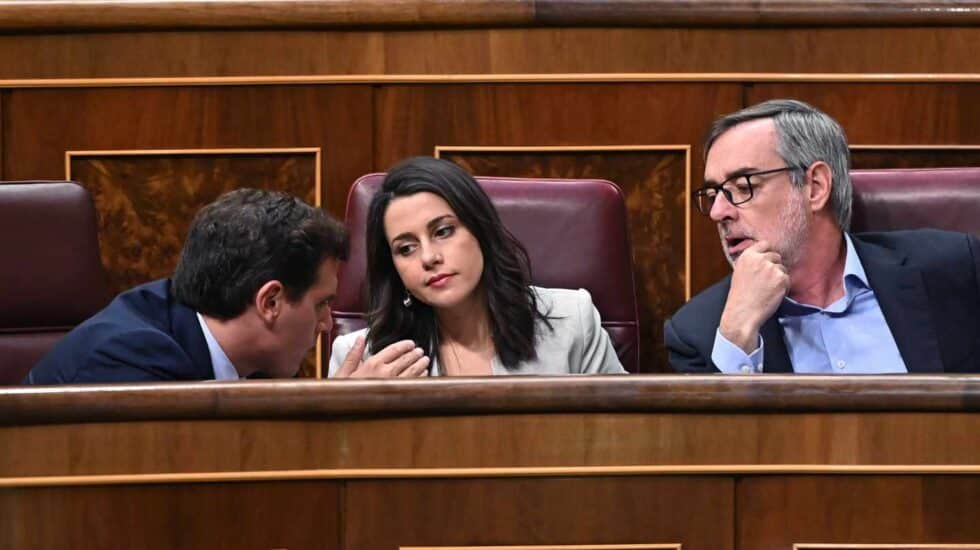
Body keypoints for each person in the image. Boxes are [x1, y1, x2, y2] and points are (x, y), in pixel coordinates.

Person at [665, 99, 980, 374]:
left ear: (815, 186)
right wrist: (738, 337)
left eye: (744, 187)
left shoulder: (953, 270)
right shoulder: (700, 333)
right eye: (714, 193)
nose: (719, 211)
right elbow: (716, 442)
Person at [330, 156, 626, 377]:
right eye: (406, 248)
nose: (429, 257)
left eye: (443, 231)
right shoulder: (362, 358)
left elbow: (625, 441)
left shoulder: (572, 322)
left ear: (480, 230)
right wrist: (352, 410)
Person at [24, 188, 349, 384]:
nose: (327, 323)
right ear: (270, 302)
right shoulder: (130, 362)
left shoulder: (241, 358)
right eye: (320, 303)